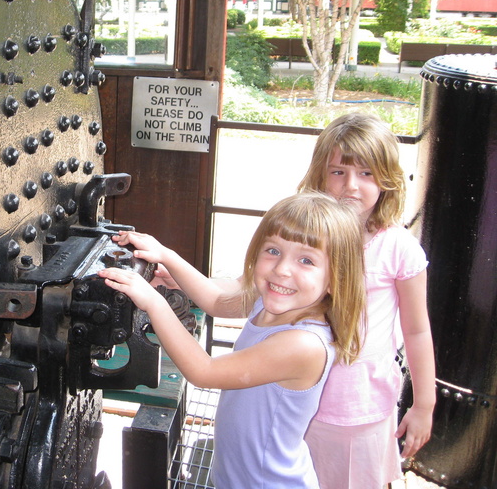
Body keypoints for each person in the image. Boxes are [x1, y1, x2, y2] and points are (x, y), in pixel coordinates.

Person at [98, 192, 367, 489]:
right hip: (238, 476)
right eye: (273, 251)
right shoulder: (268, 302)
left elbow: (205, 371)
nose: (282, 269)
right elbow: (216, 301)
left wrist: (153, 302)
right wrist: (166, 257)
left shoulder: (303, 344)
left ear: (335, 278)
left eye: (306, 260)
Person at [298, 112, 435, 489]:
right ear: (319, 175)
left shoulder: (398, 248)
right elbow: (254, 288)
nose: (350, 187)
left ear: (386, 181)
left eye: (366, 173)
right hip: (298, 401)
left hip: (363, 409)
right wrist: (178, 277)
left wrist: (424, 405)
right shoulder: (302, 235)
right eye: (338, 172)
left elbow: (417, 331)